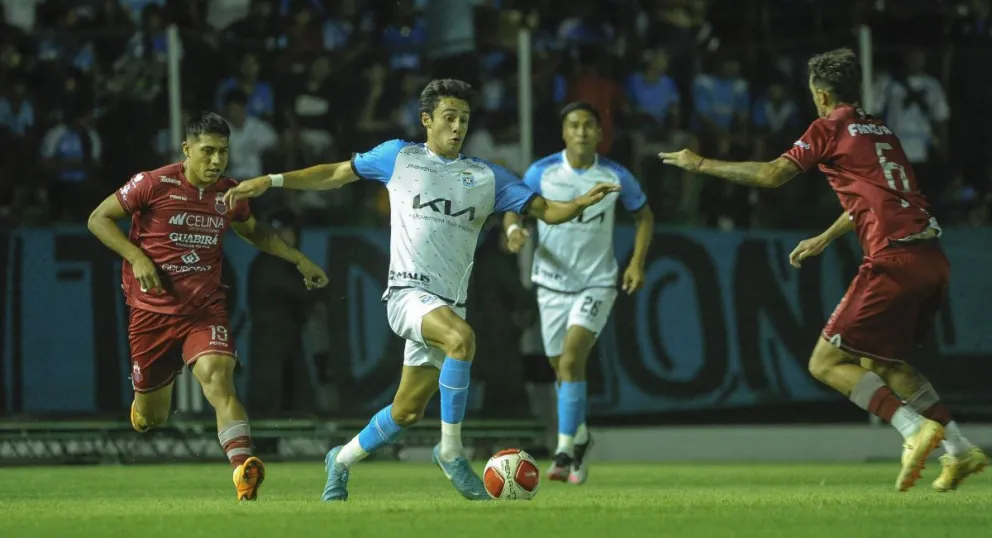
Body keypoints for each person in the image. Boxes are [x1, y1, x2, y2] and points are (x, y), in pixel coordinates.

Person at [222, 79, 619, 502]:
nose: (458, 127)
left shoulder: (486, 177)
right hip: (407, 295)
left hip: (450, 304)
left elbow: (544, 210)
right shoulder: (399, 157)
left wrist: (576, 205)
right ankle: (451, 453)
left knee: (406, 410)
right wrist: (272, 180)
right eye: (449, 117)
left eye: (464, 119)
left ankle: (339, 461)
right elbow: (335, 174)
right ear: (426, 120)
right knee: (462, 340)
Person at [659, 48, 987, 492]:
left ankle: (913, 430)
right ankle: (961, 449)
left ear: (820, 94)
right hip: (931, 257)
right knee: (883, 362)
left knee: (825, 361)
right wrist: (825, 237)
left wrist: (699, 164)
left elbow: (774, 174)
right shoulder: (881, 130)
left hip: (892, 258)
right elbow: (875, 196)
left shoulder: (828, 127)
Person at [86, 112, 329, 501]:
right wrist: (137, 257)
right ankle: (144, 403)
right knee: (152, 418)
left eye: (223, 153)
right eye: (208, 152)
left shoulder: (229, 193)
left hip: (204, 309)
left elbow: (256, 232)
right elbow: (98, 219)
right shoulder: (153, 183)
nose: (216, 161)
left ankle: (242, 470)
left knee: (219, 377)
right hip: (151, 312)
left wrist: (299, 260)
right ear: (187, 150)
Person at [502, 102, 655, 484]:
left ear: (599, 134)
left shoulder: (616, 175)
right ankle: (581, 438)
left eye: (589, 125)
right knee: (562, 370)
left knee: (571, 360)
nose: (582, 131)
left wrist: (636, 262)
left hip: (597, 282)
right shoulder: (543, 172)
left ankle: (563, 451)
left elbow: (644, 215)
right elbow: (513, 208)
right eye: (574, 125)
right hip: (551, 283)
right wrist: (513, 231)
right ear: (564, 133)